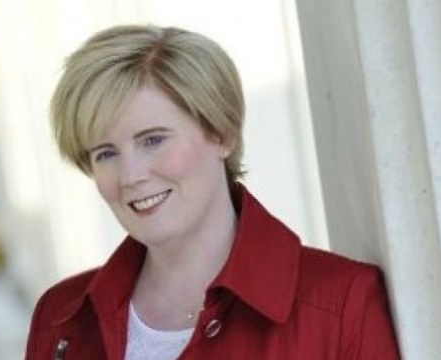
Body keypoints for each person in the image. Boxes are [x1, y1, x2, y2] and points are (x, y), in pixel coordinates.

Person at [25, 25, 400, 360]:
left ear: (222, 134)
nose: (130, 175)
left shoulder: (340, 304)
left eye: (153, 139)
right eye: (105, 154)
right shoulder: (61, 318)